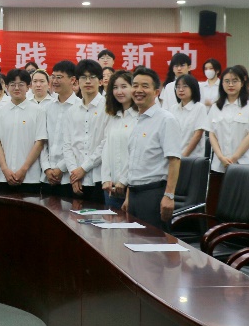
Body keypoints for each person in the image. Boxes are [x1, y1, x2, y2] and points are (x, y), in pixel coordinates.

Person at [123, 67, 182, 231]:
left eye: (145, 86)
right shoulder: (137, 120)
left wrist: (169, 196)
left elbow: (174, 160)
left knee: (153, 244)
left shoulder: (166, 120)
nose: (138, 90)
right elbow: (133, 162)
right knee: (133, 242)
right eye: (135, 85)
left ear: (156, 92)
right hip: (134, 194)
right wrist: (128, 196)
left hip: (153, 194)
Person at [58, 59, 108, 204]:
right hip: (75, 180)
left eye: (92, 77)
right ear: (77, 81)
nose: (88, 81)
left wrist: (84, 169)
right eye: (83, 77)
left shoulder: (108, 108)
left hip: (99, 177)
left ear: (100, 81)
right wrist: (74, 173)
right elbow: (67, 145)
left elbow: (106, 143)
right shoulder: (72, 111)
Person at [0, 69, 47, 194]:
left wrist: (23, 169)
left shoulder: (38, 111)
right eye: (12, 84)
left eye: (21, 84)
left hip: (30, 177)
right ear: (6, 87)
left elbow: (39, 142)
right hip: (4, 177)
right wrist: (5, 169)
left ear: (28, 87)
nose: (16, 88)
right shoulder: (0, 112)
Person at [207, 66, 249, 173]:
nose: (231, 85)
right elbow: (212, 134)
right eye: (227, 81)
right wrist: (221, 157)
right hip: (221, 164)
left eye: (235, 81)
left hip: (246, 163)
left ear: (242, 83)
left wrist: (234, 158)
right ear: (222, 84)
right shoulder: (216, 107)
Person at [43, 60, 81, 196]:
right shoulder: (47, 107)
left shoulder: (80, 107)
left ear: (72, 80)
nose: (54, 81)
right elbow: (42, 141)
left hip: (69, 177)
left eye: (59, 77)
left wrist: (60, 168)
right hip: (46, 177)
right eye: (53, 77)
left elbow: (78, 144)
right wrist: (46, 168)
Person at [101, 70, 136, 211]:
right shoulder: (113, 116)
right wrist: (105, 178)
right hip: (111, 188)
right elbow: (106, 148)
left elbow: (136, 153)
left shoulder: (139, 117)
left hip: (130, 188)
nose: (119, 91)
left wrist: (123, 180)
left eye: (124, 86)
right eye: (115, 87)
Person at [173, 74, 208, 157]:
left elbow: (197, 135)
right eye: (178, 87)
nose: (181, 90)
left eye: (185, 86)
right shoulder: (173, 108)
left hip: (192, 158)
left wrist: (183, 156)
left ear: (193, 88)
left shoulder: (199, 107)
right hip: (174, 156)